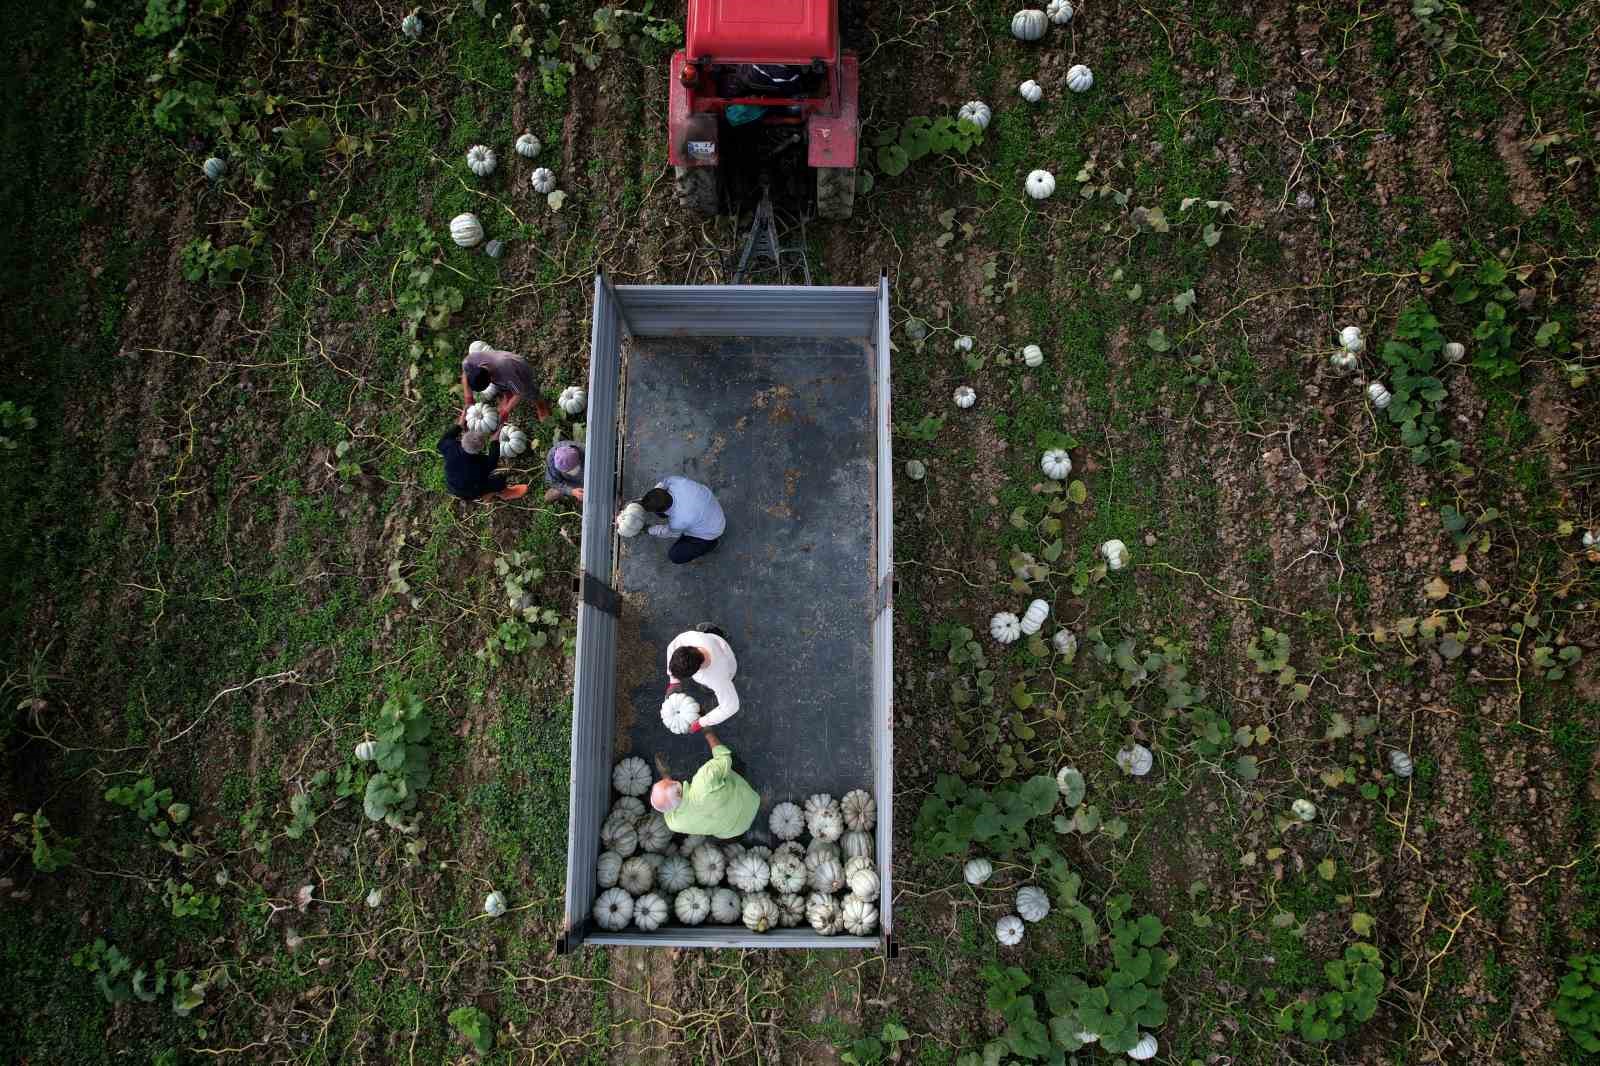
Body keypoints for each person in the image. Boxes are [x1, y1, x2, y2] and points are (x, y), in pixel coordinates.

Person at [650, 728, 760, 840]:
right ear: (678, 790)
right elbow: (724, 757)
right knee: (726, 764)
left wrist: (665, 774)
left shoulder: (674, 824)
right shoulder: (704, 779)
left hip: (735, 830)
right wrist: (707, 731)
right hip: (751, 802)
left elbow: (667, 804)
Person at [665, 623, 739, 729]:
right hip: (715, 641)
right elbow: (672, 647)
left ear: (696, 671)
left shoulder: (717, 679)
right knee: (711, 634)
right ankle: (714, 631)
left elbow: (731, 706)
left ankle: (730, 678)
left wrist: (701, 722)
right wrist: (673, 681)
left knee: (726, 681)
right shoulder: (692, 637)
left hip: (728, 669)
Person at [640, 477, 725, 564]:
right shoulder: (676, 481)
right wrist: (644, 501)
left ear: (663, 510)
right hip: (712, 509)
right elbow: (662, 484)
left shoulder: (678, 521)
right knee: (658, 508)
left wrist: (648, 529)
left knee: (675, 555)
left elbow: (669, 532)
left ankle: (710, 544)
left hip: (712, 530)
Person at [460, 342, 550, 423]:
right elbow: (465, 374)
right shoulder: (471, 360)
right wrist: (469, 399)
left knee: (528, 390)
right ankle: (508, 394)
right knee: (504, 387)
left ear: (491, 379)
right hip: (500, 371)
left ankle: (540, 403)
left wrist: (506, 411)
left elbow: (519, 393)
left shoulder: (505, 372)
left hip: (521, 370)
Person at [437, 425, 528, 502]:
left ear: (462, 439)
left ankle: (485, 493)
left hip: (451, 485)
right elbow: (492, 462)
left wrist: (460, 424)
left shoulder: (450, 446)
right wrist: (495, 441)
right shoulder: (479, 464)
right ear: (478, 450)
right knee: (499, 480)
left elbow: (441, 442)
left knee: (477, 479)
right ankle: (503, 493)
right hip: (468, 491)